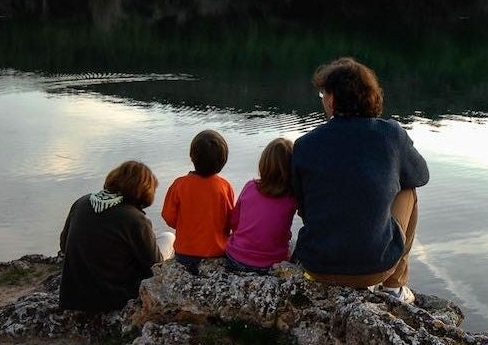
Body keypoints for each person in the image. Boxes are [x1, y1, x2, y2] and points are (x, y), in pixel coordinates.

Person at [291, 57, 429, 303]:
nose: (323, 99)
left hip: (317, 266)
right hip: (375, 267)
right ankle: (394, 286)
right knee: (408, 189)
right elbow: (421, 175)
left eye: (323, 94)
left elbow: (303, 206)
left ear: (332, 100)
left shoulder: (304, 145)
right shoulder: (391, 134)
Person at [59, 160, 175, 311]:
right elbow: (154, 265)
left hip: (72, 296)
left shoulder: (81, 202)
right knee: (168, 237)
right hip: (113, 298)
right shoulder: (135, 218)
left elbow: (64, 246)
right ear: (144, 191)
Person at [161, 129, 235, 274]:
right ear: (223, 161)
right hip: (218, 253)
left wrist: (186, 224)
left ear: (192, 156)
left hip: (184, 254)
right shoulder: (225, 187)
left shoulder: (179, 184)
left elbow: (168, 218)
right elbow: (232, 221)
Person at [225, 138, 298, 274]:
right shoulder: (292, 197)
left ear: (263, 163)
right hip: (271, 264)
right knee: (294, 242)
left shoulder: (249, 187)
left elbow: (234, 222)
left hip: (235, 258)